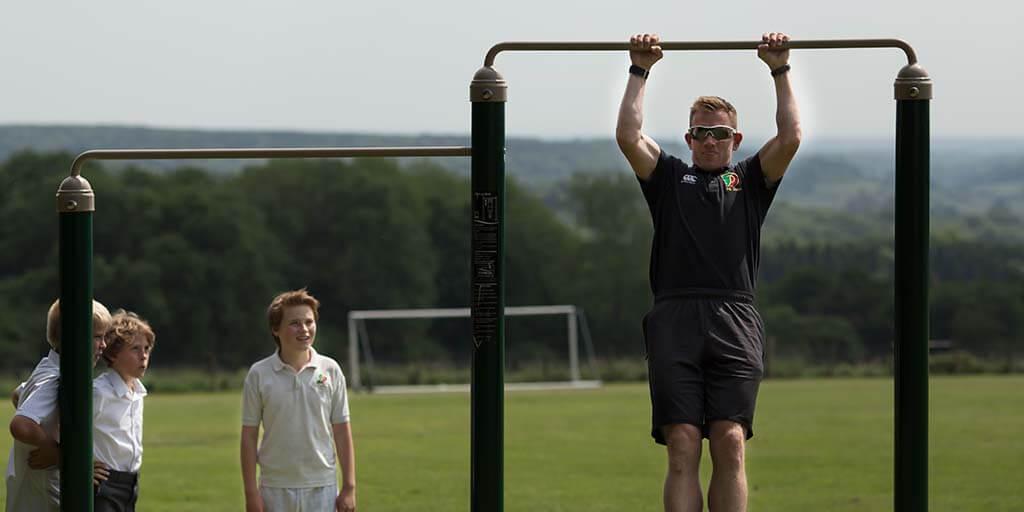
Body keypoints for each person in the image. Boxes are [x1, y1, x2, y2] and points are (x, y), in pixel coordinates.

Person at [615, 32, 802, 512]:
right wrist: (640, 69)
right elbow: (629, 136)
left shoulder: (749, 181)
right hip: (675, 317)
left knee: (730, 440)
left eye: (720, 133)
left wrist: (779, 69)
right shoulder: (671, 177)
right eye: (701, 132)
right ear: (689, 137)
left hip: (734, 318)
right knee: (682, 442)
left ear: (735, 139)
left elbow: (791, 137)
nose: (710, 140)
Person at [240, 289, 356, 512]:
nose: (304, 329)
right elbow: (249, 436)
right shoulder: (259, 374)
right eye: (294, 323)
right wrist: (251, 493)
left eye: (309, 322)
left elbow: (341, 430)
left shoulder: (330, 370)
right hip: (275, 487)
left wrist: (349, 487)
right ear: (276, 329)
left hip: (322, 486)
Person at [6, 299, 113, 512]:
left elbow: (18, 395)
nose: (104, 345)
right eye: (98, 337)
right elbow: (21, 425)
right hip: (43, 496)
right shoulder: (56, 379)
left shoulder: (46, 368)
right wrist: (61, 454)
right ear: (76, 338)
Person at [91, 310, 155, 512]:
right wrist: (79, 463)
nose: (144, 355)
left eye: (146, 348)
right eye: (135, 349)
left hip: (130, 483)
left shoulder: (138, 392)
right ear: (112, 353)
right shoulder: (98, 392)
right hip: (103, 485)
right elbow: (62, 425)